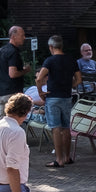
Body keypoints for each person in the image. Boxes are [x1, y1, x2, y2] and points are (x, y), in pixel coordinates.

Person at [36, 35, 78, 168]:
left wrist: (40, 93)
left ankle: (59, 159)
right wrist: (70, 86)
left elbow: (39, 78)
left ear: (51, 47)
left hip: (53, 97)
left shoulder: (49, 61)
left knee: (55, 128)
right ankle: (67, 157)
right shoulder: (71, 60)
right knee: (66, 128)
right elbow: (79, 79)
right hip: (66, 97)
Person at [0, 25, 28, 110]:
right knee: (14, 121)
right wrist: (25, 70)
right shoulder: (13, 52)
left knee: (2, 121)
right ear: (13, 36)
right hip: (12, 94)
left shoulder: (1, 50)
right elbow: (12, 74)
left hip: (1, 92)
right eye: (22, 35)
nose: (24, 38)